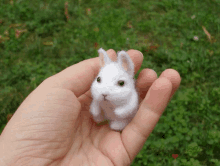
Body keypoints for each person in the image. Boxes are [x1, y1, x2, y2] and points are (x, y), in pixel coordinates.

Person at [0, 49, 181, 166]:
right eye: (99, 81)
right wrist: (96, 108)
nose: (104, 91)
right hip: (102, 120)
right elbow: (97, 101)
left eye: (119, 84)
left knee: (119, 121)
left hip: (119, 116)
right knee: (99, 111)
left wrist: (122, 112)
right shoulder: (100, 94)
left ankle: (117, 120)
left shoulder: (130, 94)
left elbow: (131, 104)